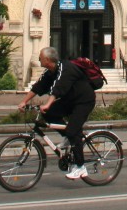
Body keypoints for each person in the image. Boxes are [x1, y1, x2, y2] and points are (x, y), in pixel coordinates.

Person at [18, 47, 96, 179]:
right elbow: (39, 86)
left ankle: (80, 167)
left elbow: (58, 87)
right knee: (49, 114)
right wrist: (24, 101)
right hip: (70, 101)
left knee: (73, 131)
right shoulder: (50, 71)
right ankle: (68, 137)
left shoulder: (66, 68)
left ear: (48, 60)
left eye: (40, 58)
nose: (39, 60)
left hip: (83, 101)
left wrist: (47, 103)